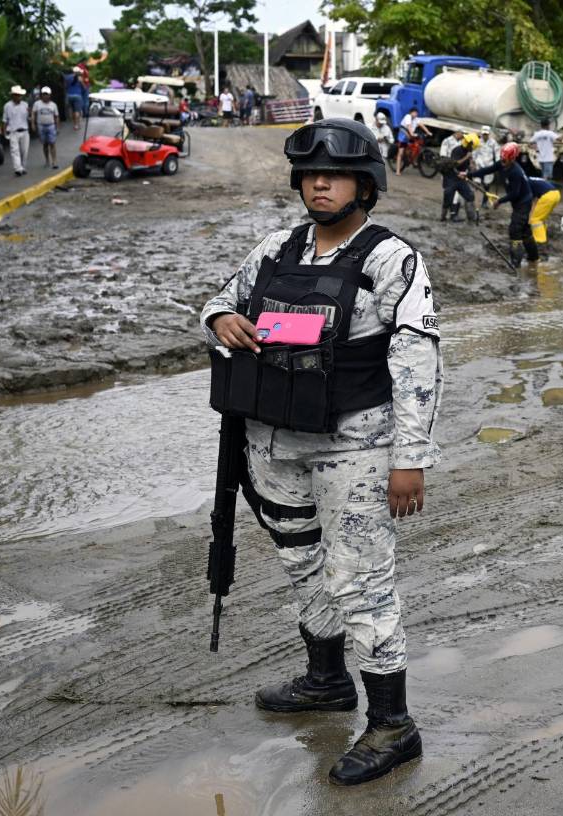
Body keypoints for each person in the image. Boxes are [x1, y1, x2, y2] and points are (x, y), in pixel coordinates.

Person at [200, 117, 441, 787]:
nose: (320, 185)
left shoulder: (389, 259)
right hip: (271, 442)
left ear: (365, 186)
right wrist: (222, 319)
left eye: (333, 176)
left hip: (355, 447)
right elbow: (221, 300)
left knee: (361, 580)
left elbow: (417, 361)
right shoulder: (277, 249)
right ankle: (326, 680)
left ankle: (393, 723)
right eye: (309, 176)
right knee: (302, 564)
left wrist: (409, 458)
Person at [468, 141, 539, 267]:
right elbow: (487, 170)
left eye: (505, 160)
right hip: (517, 201)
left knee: (515, 230)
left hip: (523, 202)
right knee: (525, 231)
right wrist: (469, 174)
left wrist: (499, 201)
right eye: (502, 159)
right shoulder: (501, 164)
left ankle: (515, 263)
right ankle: (534, 258)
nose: (503, 162)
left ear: (512, 159)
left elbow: (515, 194)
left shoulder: (515, 172)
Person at [442, 132, 478, 223]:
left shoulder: (468, 152)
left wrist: (472, 165)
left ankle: (471, 218)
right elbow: (455, 163)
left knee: (470, 196)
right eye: (472, 146)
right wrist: (467, 157)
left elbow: (468, 166)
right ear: (469, 144)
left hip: (460, 178)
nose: (473, 149)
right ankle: (443, 218)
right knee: (448, 199)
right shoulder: (457, 150)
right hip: (451, 178)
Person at [3, 86, 31, 176]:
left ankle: (22, 166)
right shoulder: (7, 106)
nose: (19, 97)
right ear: (13, 96)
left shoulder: (25, 105)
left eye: (20, 95)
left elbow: (28, 117)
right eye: (17, 95)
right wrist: (4, 131)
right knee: (15, 151)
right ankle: (18, 168)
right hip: (13, 131)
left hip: (24, 130)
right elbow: (5, 119)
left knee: (24, 151)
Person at [395, 106, 430, 176]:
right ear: (411, 113)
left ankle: (413, 161)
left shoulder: (416, 119)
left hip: (410, 135)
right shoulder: (408, 117)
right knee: (400, 153)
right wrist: (411, 133)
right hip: (403, 136)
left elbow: (421, 125)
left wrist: (428, 132)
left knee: (416, 146)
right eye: (414, 112)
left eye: (416, 113)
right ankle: (398, 170)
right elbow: (409, 126)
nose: (416, 114)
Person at [527, 176, 560, 248]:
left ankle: (540, 241)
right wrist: (531, 213)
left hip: (547, 196)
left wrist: (530, 217)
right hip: (556, 194)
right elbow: (535, 201)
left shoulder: (525, 183)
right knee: (540, 218)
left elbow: (529, 200)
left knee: (535, 220)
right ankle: (543, 235)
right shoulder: (532, 180)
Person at [32, 87, 60, 170]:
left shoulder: (53, 105)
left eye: (47, 94)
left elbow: (56, 116)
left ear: (49, 95)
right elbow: (33, 113)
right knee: (45, 144)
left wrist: (57, 127)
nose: (45, 96)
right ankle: (47, 160)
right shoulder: (37, 104)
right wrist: (33, 124)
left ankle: (54, 161)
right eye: (44, 94)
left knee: (52, 143)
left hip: (51, 125)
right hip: (41, 125)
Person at [473, 125, 500, 193]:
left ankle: (484, 201)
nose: (485, 135)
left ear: (489, 134)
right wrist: (473, 162)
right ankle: (471, 200)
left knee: (487, 184)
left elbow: (497, 153)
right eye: (484, 134)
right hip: (479, 164)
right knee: (476, 183)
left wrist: (498, 164)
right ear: (482, 134)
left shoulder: (493, 142)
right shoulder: (478, 141)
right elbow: (474, 153)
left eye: (486, 134)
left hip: (489, 165)